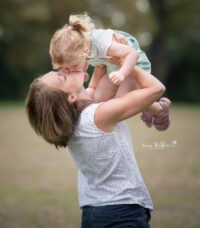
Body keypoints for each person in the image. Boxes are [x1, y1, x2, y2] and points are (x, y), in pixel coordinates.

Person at [25, 64, 167, 228]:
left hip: (93, 211)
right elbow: (156, 88)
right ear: (70, 96)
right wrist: (125, 64)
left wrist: (99, 68)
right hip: (122, 213)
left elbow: (93, 90)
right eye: (62, 76)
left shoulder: (75, 121)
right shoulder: (99, 116)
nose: (64, 69)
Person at [49, 13, 170, 130]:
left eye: (74, 65)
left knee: (120, 102)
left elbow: (132, 54)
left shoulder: (104, 44)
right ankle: (145, 105)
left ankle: (159, 109)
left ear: (85, 51)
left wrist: (122, 73)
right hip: (114, 68)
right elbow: (90, 64)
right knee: (99, 98)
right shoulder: (82, 45)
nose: (72, 70)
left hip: (133, 66)